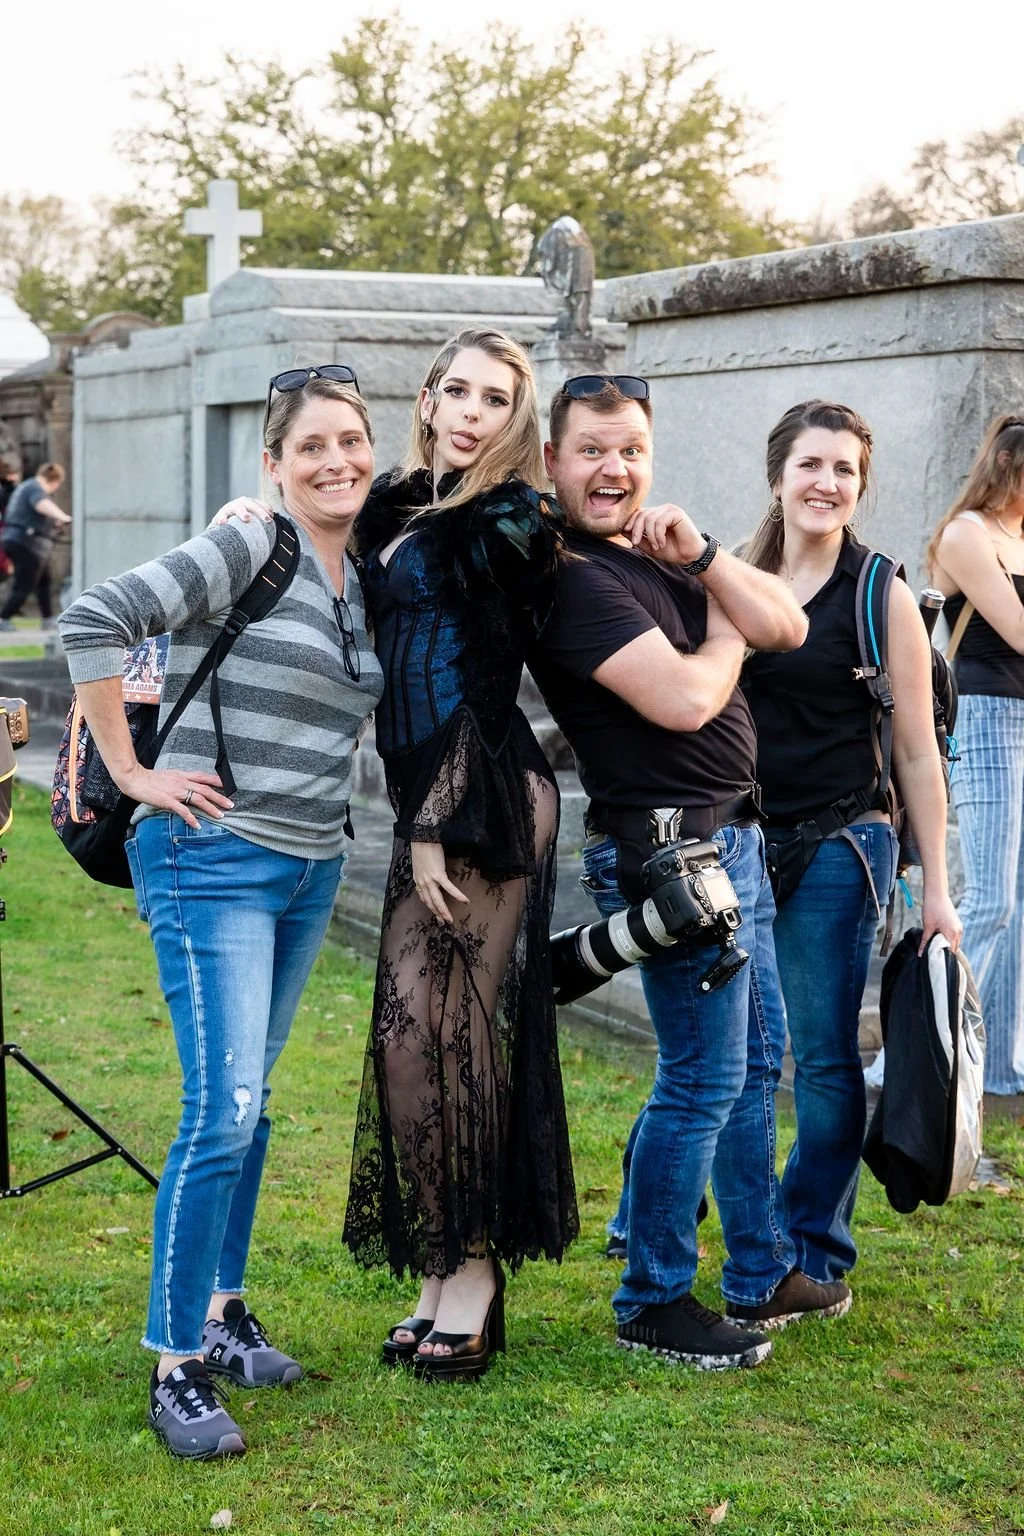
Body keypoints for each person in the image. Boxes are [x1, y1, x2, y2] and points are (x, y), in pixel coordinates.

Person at [58, 371, 384, 1459]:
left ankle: (221, 1311)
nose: (336, 461)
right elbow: (94, 618)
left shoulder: (362, 575)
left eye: (351, 441)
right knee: (223, 1108)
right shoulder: (250, 545)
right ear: (273, 464)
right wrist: (130, 772)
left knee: (255, 1104)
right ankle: (174, 1366)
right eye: (311, 447)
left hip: (309, 869)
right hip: (212, 859)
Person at [530, 374, 851, 1369]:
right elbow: (681, 701)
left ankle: (759, 1272)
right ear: (552, 461)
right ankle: (653, 1297)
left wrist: (707, 558)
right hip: (669, 847)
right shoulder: (571, 577)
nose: (613, 468)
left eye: (629, 449)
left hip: (733, 841)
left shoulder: (654, 554)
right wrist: (723, 625)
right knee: (701, 1078)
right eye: (591, 450)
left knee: (751, 1065)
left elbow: (789, 625)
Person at [337, 328, 578, 1382]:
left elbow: (481, 673)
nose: (474, 412)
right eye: (460, 391)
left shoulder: (511, 518)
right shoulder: (393, 505)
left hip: (485, 793)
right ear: (428, 396)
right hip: (424, 801)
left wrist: (430, 820)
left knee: (460, 1037)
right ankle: (440, 1262)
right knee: (407, 1044)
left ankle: (473, 1272)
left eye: (497, 399)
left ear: (514, 418)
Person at [738, 400, 961, 1287]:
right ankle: (672, 1209)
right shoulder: (734, 576)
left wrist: (936, 887)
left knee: (824, 1058)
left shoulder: (881, 594)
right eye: (811, 465)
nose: (826, 483)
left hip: (842, 840)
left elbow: (917, 751)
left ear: (861, 487)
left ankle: (814, 1247)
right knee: (726, 1051)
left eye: (845, 470)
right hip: (739, 843)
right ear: (777, 476)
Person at [927, 414, 1024, 1095]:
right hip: (988, 716)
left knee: (1019, 903)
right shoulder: (967, 533)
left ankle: (1000, 1068)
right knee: (988, 899)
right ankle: (919, 1063)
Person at [1, 461, 71, 628]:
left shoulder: (26, 486)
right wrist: (63, 517)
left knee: (43, 581)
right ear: (55, 481)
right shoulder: (35, 488)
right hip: (26, 544)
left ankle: (47, 618)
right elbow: (41, 504)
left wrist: (54, 523)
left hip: (22, 542)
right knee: (24, 584)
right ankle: (3, 618)